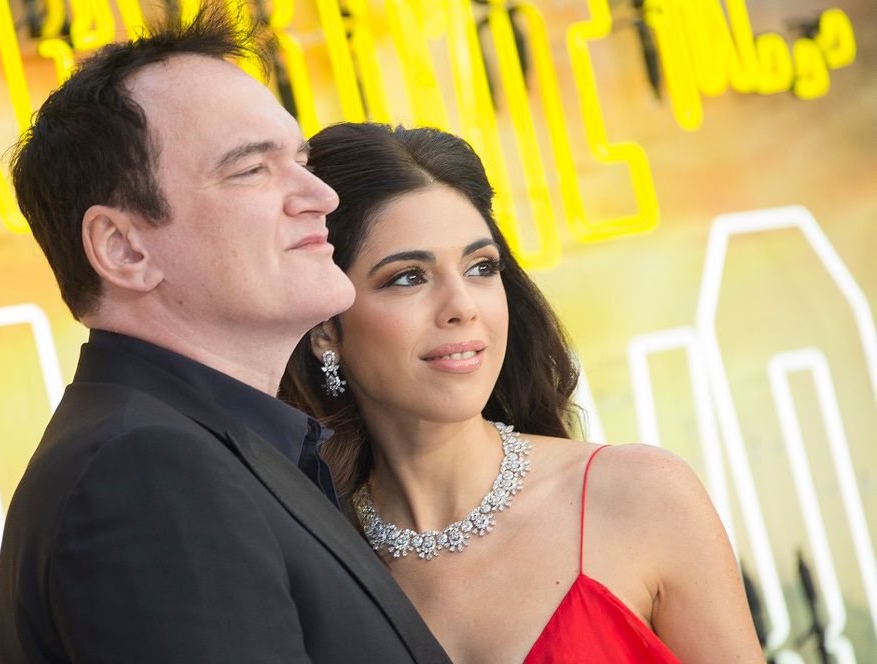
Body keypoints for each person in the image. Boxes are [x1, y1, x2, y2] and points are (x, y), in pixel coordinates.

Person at [0, 6, 450, 663]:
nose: (318, 194)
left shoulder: (213, 451)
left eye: (301, 159)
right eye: (251, 170)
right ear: (123, 249)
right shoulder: (147, 474)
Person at [281, 122, 765, 663]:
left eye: (481, 268)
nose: (462, 305)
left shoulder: (639, 496)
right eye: (407, 277)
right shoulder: (305, 565)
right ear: (326, 328)